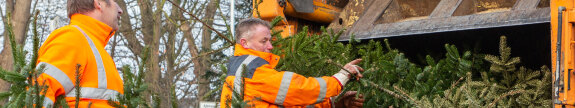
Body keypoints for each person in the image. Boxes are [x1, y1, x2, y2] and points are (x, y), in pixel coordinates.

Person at [220, 18, 365, 108]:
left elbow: (290, 104)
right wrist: (339, 78)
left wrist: (333, 104)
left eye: (270, 40)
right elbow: (297, 89)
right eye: (264, 41)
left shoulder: (242, 68)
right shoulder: (252, 69)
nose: (270, 46)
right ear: (244, 43)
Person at [35, 0, 123, 107]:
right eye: (115, 2)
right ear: (98, 3)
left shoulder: (94, 48)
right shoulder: (73, 38)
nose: (120, 10)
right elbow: (39, 90)